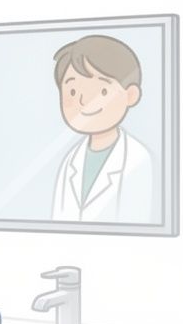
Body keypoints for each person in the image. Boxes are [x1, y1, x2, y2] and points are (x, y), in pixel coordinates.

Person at [50, 35, 155, 224]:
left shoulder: (137, 159)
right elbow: (58, 218)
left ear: (130, 95)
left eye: (102, 92)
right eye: (72, 92)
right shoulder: (70, 161)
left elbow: (137, 221)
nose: (83, 102)